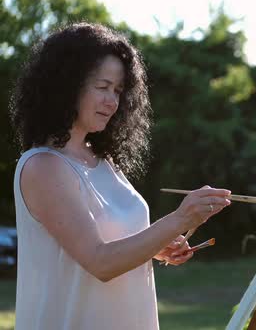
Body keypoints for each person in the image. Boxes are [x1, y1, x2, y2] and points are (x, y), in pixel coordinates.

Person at [9, 22, 231, 330]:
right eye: (102, 87)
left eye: (118, 90)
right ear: (67, 86)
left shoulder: (104, 161)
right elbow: (100, 261)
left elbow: (110, 239)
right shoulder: (43, 166)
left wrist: (157, 244)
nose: (112, 102)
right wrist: (180, 218)